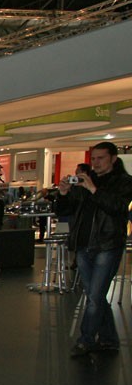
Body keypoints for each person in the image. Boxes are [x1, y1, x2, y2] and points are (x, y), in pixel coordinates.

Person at [58, 142, 132, 357]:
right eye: (94, 158)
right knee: (94, 295)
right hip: (84, 245)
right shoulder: (84, 182)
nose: (96, 162)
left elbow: (117, 207)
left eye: (101, 158)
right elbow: (65, 211)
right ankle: (109, 339)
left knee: (94, 296)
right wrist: (63, 194)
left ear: (113, 159)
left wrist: (93, 189)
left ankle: (86, 339)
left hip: (107, 245)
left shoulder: (124, 182)